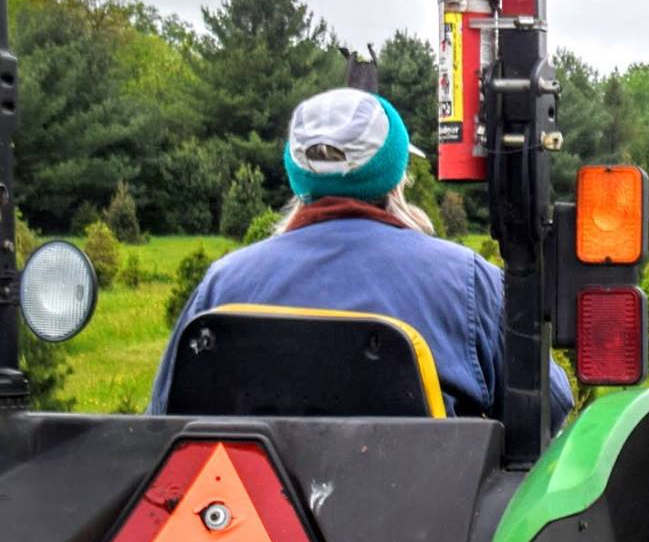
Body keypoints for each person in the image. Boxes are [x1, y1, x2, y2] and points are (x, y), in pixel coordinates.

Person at [149, 87, 573, 421]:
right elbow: (549, 403)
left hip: (253, 523)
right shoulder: (466, 279)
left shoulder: (224, 283)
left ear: (298, 178)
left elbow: (163, 416)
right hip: (423, 520)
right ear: (395, 177)